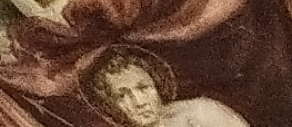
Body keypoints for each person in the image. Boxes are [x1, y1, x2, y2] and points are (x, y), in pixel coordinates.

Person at [85, 47, 251, 127]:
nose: (139, 102)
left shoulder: (200, 112)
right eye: (122, 96)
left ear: (157, 83)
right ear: (110, 104)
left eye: (143, 88)